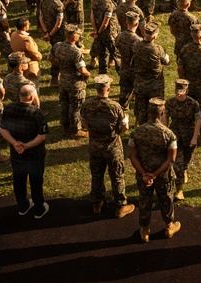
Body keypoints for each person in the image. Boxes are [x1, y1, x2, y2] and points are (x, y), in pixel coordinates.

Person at [80, 74, 135, 218]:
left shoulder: (87, 104)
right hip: (112, 148)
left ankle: (97, 203)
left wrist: (91, 131)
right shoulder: (115, 106)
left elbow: (82, 121)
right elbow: (125, 126)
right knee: (117, 176)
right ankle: (121, 206)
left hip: (95, 147)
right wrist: (117, 134)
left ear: (96, 88)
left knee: (96, 175)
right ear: (108, 89)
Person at [128, 97, 180, 243]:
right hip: (163, 175)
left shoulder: (136, 132)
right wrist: (155, 175)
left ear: (148, 112)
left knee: (144, 201)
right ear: (162, 113)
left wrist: (145, 174)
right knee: (166, 200)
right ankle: (169, 226)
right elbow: (171, 160)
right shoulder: (169, 134)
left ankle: (144, 230)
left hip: (143, 173)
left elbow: (132, 155)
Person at [0, 84, 50, 219]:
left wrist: (15, 143)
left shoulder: (9, 108)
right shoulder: (37, 113)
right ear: (32, 97)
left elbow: (2, 129)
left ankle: (22, 206)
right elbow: (41, 136)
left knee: (19, 181)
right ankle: (39, 208)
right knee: (36, 182)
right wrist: (26, 146)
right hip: (34, 156)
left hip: (17, 155)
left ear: (19, 95)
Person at [178, 22, 201, 143]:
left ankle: (187, 133)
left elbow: (180, 67)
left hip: (188, 86)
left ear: (191, 34)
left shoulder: (184, 49)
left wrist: (182, 80)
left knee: (188, 109)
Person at [51, 23, 90, 138]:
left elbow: (50, 57)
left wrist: (60, 65)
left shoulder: (57, 46)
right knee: (76, 107)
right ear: (75, 37)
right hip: (75, 84)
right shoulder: (76, 52)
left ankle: (66, 127)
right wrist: (87, 74)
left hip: (63, 80)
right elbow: (82, 70)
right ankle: (76, 130)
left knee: (64, 104)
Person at [165, 78, 201, 201]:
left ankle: (185, 169)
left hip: (189, 135)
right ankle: (179, 190)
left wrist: (195, 138)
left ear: (187, 91)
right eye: (177, 93)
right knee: (177, 163)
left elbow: (198, 121)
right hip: (175, 135)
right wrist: (166, 133)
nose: (179, 96)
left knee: (187, 158)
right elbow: (166, 117)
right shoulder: (170, 102)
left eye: (181, 93)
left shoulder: (193, 104)